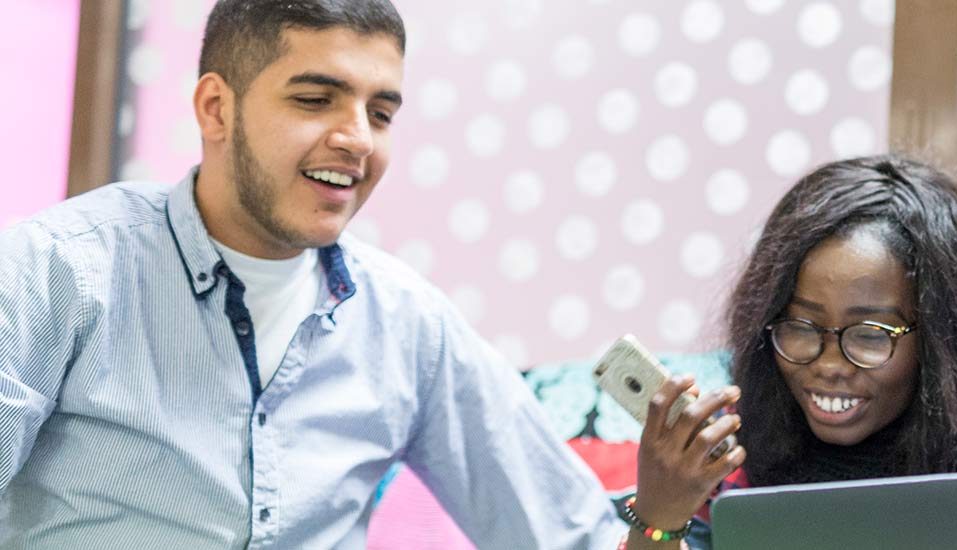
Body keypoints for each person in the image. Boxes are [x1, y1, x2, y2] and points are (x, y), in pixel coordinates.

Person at [0, 1, 624, 548]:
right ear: (216, 108)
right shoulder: (60, 270)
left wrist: (662, 518)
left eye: (380, 114)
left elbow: (574, 535)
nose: (357, 139)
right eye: (315, 100)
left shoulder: (409, 327)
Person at [618, 155, 957, 549]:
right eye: (800, 327)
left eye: (871, 335)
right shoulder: (726, 458)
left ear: (946, 341)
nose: (829, 365)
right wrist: (659, 515)